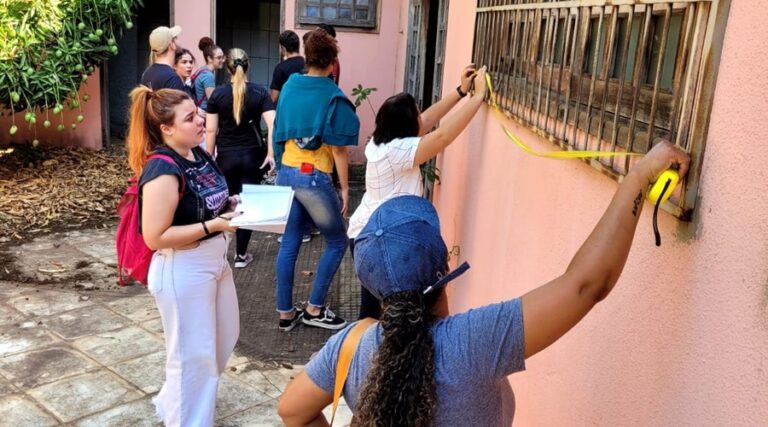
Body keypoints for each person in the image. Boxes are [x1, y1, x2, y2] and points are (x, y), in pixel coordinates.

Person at [278, 141, 690, 426]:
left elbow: (291, 411)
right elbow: (586, 285)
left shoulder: (351, 346)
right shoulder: (473, 342)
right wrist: (638, 178)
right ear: (444, 272)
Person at [127, 86, 242, 427]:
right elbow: (155, 236)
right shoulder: (162, 169)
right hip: (184, 268)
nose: (200, 120)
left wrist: (228, 204)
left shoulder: (197, 153)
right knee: (192, 360)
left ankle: (171, 403)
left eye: (198, 113)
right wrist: (213, 225)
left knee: (222, 341)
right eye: (190, 118)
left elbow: (204, 199)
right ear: (166, 128)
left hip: (213, 264)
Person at [348, 64, 487, 320]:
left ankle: (364, 354)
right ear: (406, 126)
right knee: (380, 317)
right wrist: (477, 97)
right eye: (415, 116)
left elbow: (427, 121)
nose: (420, 119)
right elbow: (442, 136)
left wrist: (459, 92)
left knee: (375, 315)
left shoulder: (383, 143)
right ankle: (367, 357)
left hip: (368, 236)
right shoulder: (398, 151)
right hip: (382, 243)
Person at [272, 29, 359, 332]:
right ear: (333, 61)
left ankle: (285, 313)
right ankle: (314, 308)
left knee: (290, 242)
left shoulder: (290, 86)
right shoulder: (333, 96)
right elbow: (338, 148)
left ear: (307, 58)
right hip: (313, 178)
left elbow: (277, 132)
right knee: (336, 241)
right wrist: (345, 188)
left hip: (286, 173)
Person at [206, 48, 276, 268]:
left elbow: (210, 131)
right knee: (247, 205)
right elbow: (274, 123)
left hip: (225, 156)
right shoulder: (259, 93)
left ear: (226, 68)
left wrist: (209, 159)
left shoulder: (217, 95)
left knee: (223, 204)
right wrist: (271, 154)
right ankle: (241, 256)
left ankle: (220, 253)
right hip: (253, 157)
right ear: (248, 66)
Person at [140, 26, 186, 91]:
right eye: (176, 38)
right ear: (171, 45)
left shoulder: (147, 74)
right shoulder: (172, 78)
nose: (179, 41)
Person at [270, 30, 306, 104]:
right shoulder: (308, 65)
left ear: (283, 48)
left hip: (287, 112)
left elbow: (273, 98)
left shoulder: (281, 68)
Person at [193, 37, 225, 113]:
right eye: (219, 58)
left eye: (223, 57)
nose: (223, 60)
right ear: (209, 59)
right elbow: (212, 101)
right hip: (204, 114)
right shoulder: (208, 76)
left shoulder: (201, 70)